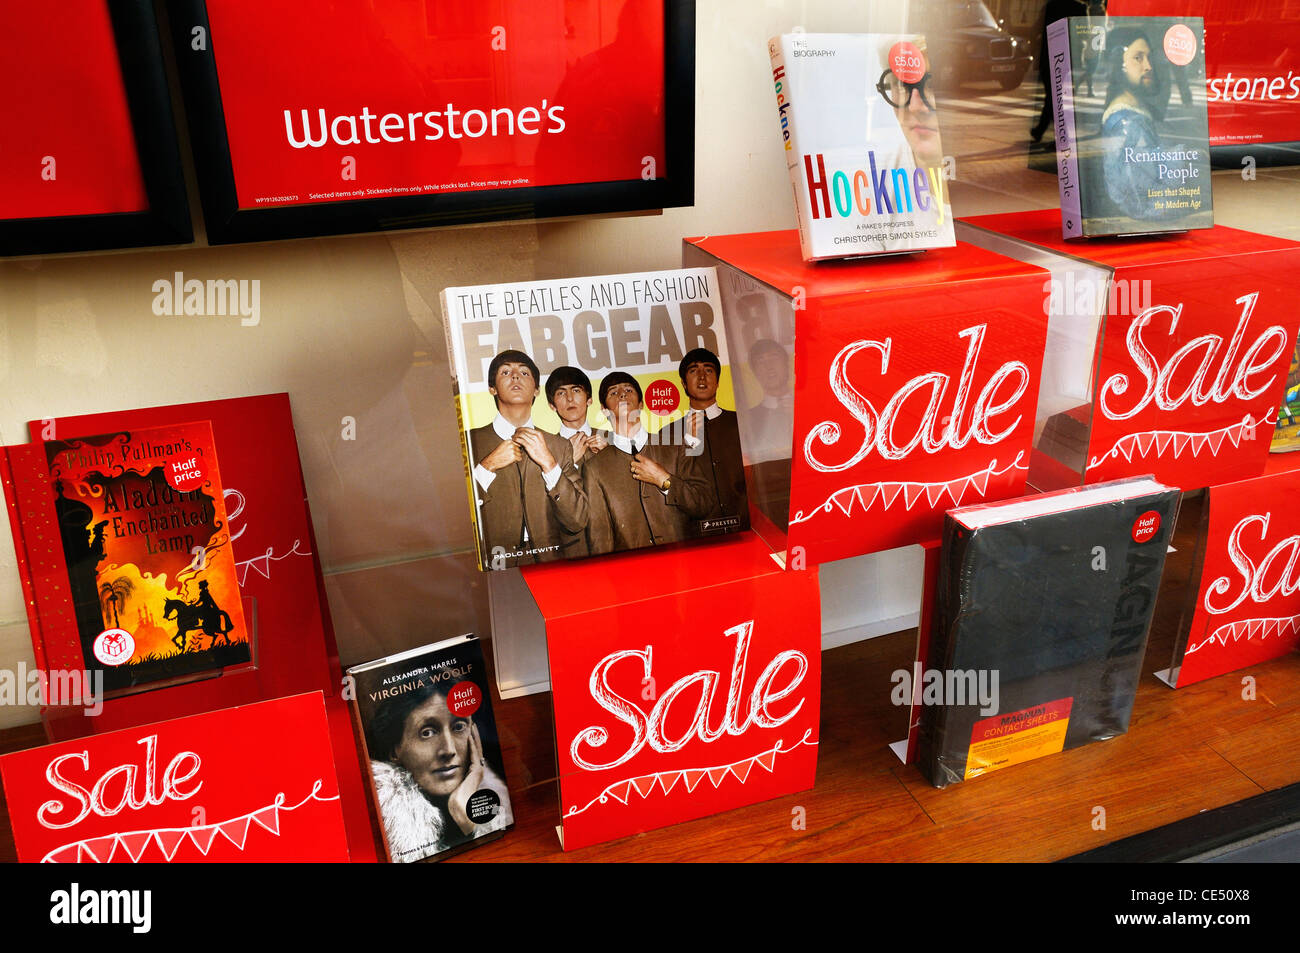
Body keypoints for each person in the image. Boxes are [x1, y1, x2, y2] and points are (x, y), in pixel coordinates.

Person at [468, 349, 587, 568]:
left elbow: (578, 520)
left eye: (524, 373)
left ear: (537, 390)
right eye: (505, 372)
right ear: (491, 388)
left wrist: (550, 465)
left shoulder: (559, 446)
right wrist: (487, 466)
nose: (515, 376)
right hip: (496, 566)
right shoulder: (469, 442)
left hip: (552, 565)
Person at [366, 682, 510, 861]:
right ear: (395, 749)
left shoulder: (498, 799)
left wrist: (468, 819)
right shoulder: (386, 825)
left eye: (458, 727)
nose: (449, 750)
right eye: (427, 733)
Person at [583, 371, 711, 555]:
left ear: (641, 404)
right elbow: (600, 539)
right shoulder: (594, 468)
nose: (622, 394)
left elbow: (704, 504)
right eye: (613, 392)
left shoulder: (676, 446)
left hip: (684, 563)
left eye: (628, 389)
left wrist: (665, 480)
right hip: (632, 574)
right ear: (604, 410)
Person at [1097, 28, 1180, 220]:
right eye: (1138, 57)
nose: (1149, 66)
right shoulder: (1128, 123)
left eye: (1149, 57)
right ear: (1119, 64)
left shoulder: (1136, 111)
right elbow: (1139, 199)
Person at [679, 347, 748, 530]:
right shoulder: (668, 434)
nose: (702, 377)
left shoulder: (743, 423)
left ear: (718, 381)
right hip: (695, 536)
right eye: (694, 371)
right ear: (684, 383)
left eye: (708, 370)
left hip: (747, 528)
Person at [544, 365, 606, 558]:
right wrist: (570, 462)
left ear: (589, 399)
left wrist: (610, 457)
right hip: (572, 551)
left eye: (576, 390)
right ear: (552, 405)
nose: (570, 398)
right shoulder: (544, 450)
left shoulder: (614, 440)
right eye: (561, 393)